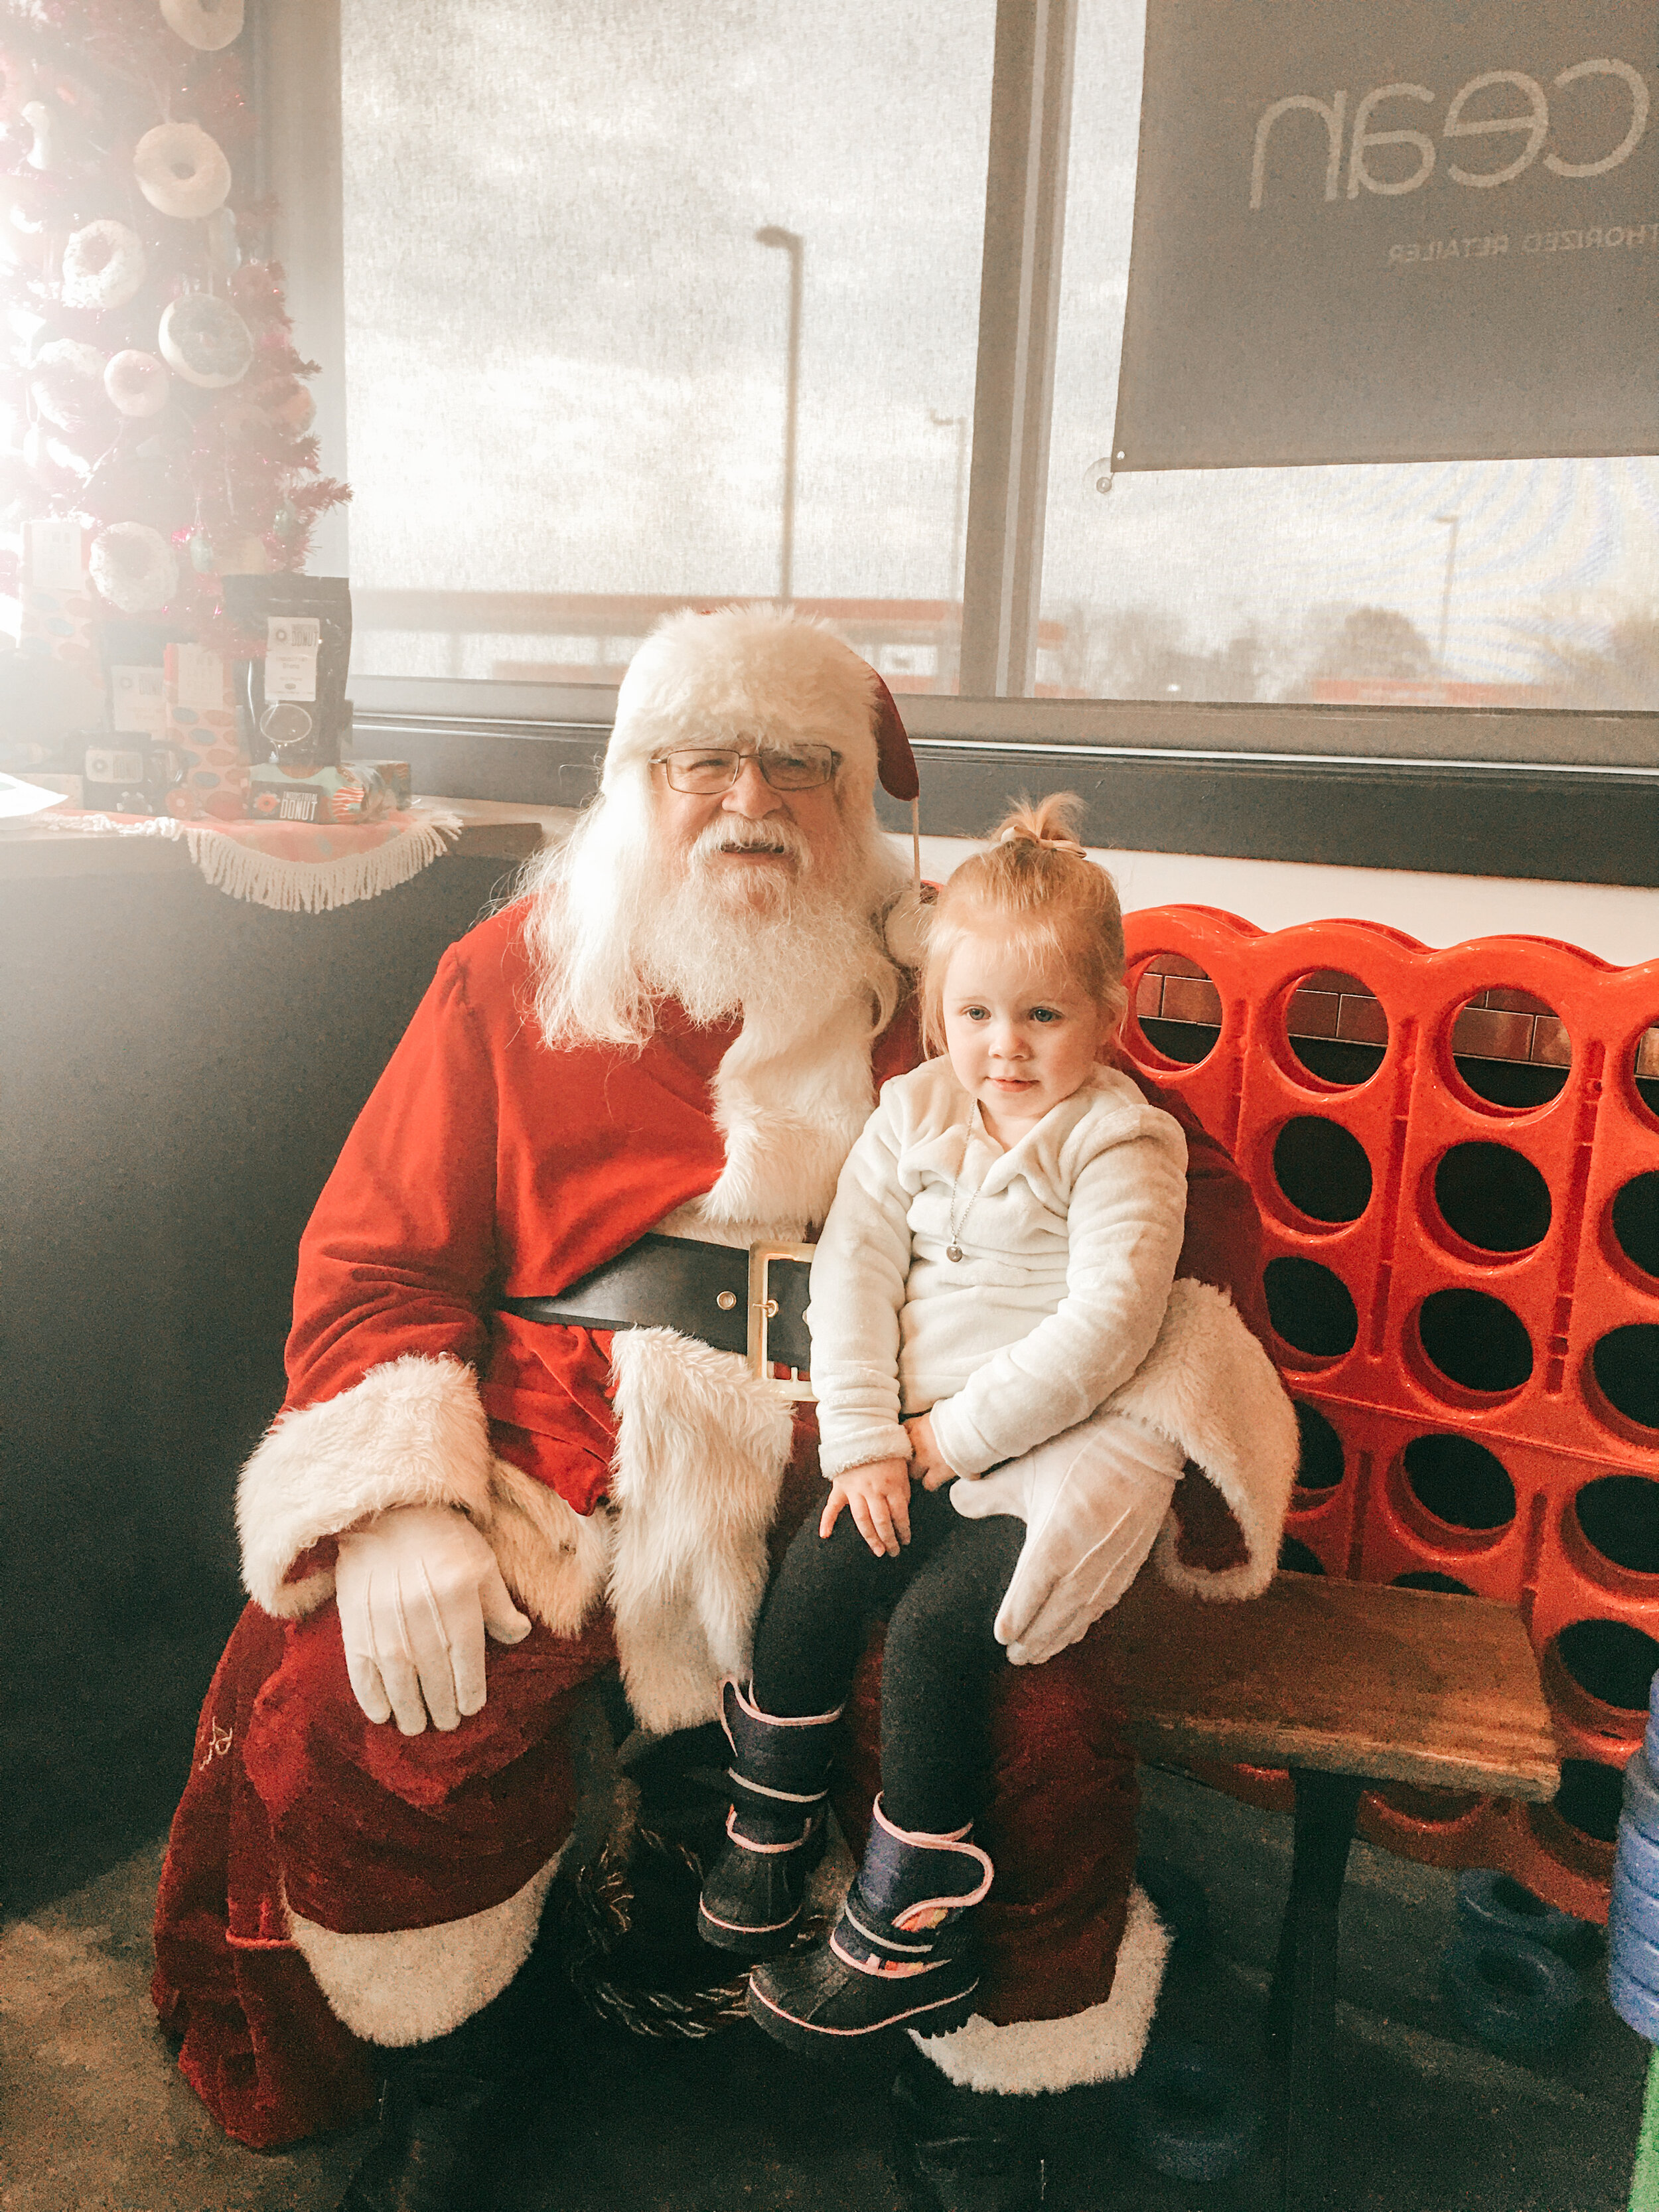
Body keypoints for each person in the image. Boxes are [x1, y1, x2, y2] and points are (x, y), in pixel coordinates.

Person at [150, 606, 1299, 2212]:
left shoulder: (958, 978)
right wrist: (403, 1493)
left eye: (798, 762)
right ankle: (459, 2065)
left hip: (883, 1444)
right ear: (636, 779)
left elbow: (1191, 1209)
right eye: (700, 759)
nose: (746, 797)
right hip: (558, 1444)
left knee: (1032, 1738)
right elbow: (374, 1256)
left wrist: (1120, 1437)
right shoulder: (509, 972)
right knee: (374, 1713)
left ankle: (979, 2091)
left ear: (858, 797)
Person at [699, 797, 1198, 2059]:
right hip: (909, 1438)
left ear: (1109, 1015)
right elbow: (851, 1278)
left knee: (932, 1635)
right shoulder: (913, 1113)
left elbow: (1108, 1329)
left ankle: (907, 1933)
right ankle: (767, 1826)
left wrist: (947, 1441)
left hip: (1050, 1460)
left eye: (1043, 1015)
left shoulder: (1123, 1143)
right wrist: (865, 1438)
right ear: (937, 1016)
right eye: (976, 1015)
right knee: (810, 1573)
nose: (1007, 1048)